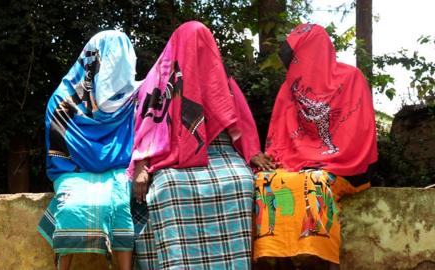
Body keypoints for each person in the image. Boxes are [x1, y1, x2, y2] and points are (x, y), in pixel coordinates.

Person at [129, 21, 274, 269]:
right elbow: (145, 126)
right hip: (171, 154)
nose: (198, 50)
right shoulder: (159, 79)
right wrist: (141, 164)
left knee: (241, 181)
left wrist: (252, 152)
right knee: (167, 188)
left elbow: (241, 120)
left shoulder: (220, 78)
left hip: (220, 149)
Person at [253, 23, 377, 269]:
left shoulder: (351, 79)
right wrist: (272, 159)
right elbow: (279, 140)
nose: (292, 67)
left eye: (295, 59)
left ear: (313, 54)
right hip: (299, 164)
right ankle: (281, 256)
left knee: (314, 181)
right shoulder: (288, 89)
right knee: (266, 181)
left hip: (342, 166)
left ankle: (316, 259)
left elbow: (358, 136)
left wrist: (317, 159)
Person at [37, 30, 141, 270]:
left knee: (120, 206)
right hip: (73, 171)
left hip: (118, 171)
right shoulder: (63, 100)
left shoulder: (134, 99)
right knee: (73, 207)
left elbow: (143, 138)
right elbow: (60, 152)